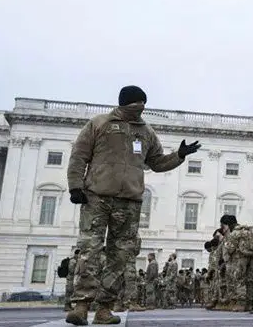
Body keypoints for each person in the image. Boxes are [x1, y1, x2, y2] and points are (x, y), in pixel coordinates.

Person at [66, 85, 201, 325]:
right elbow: (79, 155)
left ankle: (105, 308)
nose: (139, 109)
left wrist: (179, 156)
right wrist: (75, 186)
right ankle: (81, 305)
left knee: (120, 256)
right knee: (90, 251)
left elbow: (157, 163)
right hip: (97, 196)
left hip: (129, 201)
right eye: (135, 104)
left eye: (142, 105)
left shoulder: (146, 131)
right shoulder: (99, 123)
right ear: (124, 103)